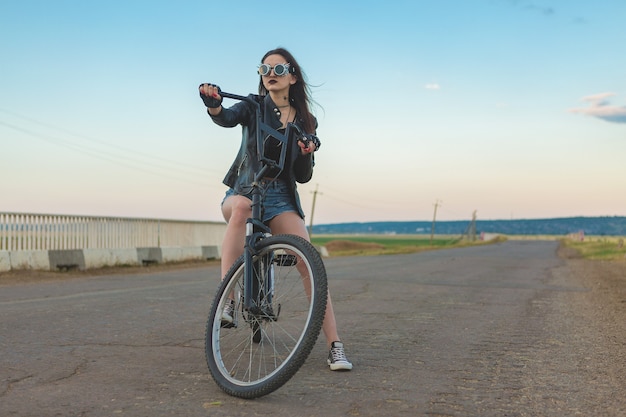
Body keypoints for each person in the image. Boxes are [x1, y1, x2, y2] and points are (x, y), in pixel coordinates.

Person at [198, 47, 352, 371]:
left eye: (279, 70)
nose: (270, 74)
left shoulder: (307, 120)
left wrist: (307, 152)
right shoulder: (253, 107)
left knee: (309, 262)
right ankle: (227, 299)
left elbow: (302, 176)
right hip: (244, 189)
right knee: (240, 209)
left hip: (282, 197)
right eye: (264, 69)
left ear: (292, 77)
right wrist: (214, 106)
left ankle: (335, 345)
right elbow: (226, 117)